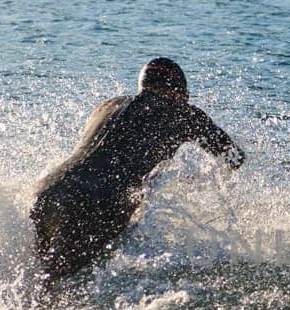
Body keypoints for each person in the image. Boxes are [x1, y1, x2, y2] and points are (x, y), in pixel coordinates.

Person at [30, 58, 243, 297]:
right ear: (178, 92)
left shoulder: (107, 106)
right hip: (96, 201)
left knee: (41, 278)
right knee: (53, 286)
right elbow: (234, 157)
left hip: (50, 189)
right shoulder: (183, 113)